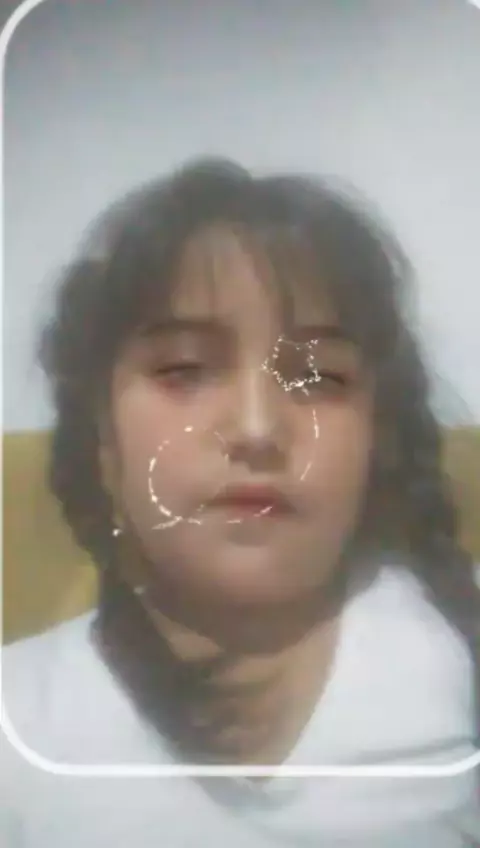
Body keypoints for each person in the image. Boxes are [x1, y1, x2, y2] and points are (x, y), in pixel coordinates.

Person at [1, 157, 479, 847]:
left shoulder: (456, 649)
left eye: (316, 378)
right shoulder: (18, 723)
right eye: (185, 370)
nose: (257, 429)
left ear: (377, 436)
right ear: (102, 439)